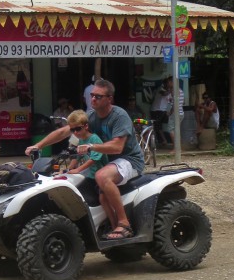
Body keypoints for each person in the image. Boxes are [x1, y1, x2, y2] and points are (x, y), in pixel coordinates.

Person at [25, 79, 144, 240]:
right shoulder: (91, 116)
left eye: (98, 96)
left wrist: (91, 147)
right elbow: (64, 132)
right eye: (92, 95)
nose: (93, 99)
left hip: (128, 159)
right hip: (105, 161)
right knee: (67, 178)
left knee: (101, 176)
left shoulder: (119, 115)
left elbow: (117, 147)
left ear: (109, 99)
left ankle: (124, 223)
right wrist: (38, 145)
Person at [166, 76, 184, 150]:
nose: (167, 84)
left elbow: (175, 104)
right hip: (181, 112)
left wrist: (170, 113)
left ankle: (175, 148)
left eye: (168, 82)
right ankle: (179, 148)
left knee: (171, 130)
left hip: (175, 113)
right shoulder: (180, 90)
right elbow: (183, 102)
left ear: (172, 82)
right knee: (177, 130)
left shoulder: (175, 91)